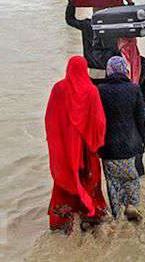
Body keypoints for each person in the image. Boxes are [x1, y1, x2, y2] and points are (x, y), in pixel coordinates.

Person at [44, 56, 108, 233]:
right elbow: (99, 123)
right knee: (89, 179)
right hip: (87, 150)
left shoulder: (58, 89)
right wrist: (96, 143)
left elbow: (50, 119)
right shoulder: (91, 91)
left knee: (64, 179)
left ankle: (62, 222)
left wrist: (57, 142)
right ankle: (90, 216)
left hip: (65, 148)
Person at [97, 57, 145, 221]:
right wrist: (143, 139)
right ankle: (132, 205)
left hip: (108, 146)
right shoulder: (133, 89)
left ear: (108, 70)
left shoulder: (100, 90)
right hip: (130, 144)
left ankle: (117, 215)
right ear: (125, 70)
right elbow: (141, 117)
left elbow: (96, 119)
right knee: (131, 177)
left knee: (112, 181)